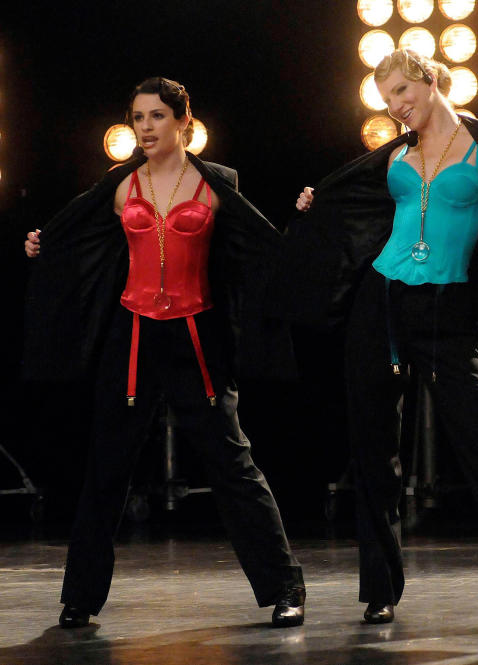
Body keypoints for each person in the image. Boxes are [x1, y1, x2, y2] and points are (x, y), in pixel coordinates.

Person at [280, 49, 478, 629]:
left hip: (448, 309)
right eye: (388, 98)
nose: (397, 105)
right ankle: (379, 591)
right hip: (382, 303)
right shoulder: (395, 155)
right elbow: (354, 205)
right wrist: (318, 205)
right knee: (373, 451)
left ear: (430, 80)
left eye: (402, 91)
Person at [23, 77, 306, 629]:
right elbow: (73, 236)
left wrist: (307, 225)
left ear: (182, 122)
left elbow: (261, 247)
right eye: (137, 118)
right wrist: (42, 244)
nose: (145, 127)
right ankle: (79, 598)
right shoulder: (118, 184)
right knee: (107, 467)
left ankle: (284, 588)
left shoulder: (216, 184)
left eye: (156, 116)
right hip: (133, 338)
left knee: (232, 464)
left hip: (196, 336)